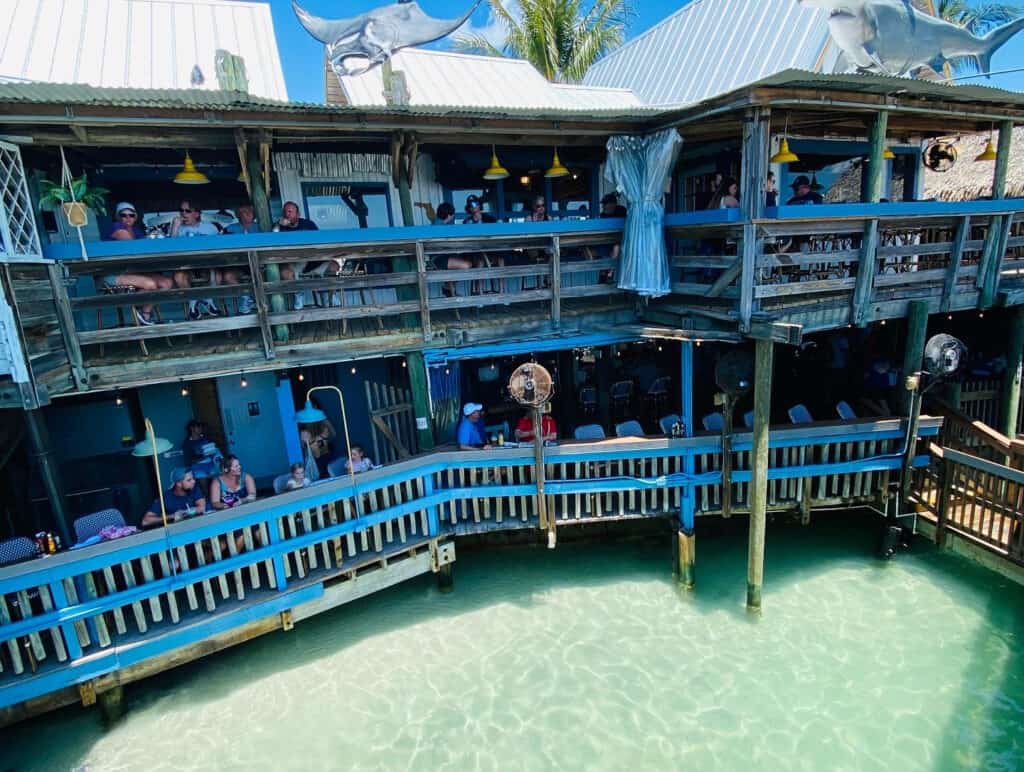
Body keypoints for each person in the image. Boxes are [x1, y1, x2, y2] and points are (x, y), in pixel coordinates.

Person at [100, 202, 173, 326]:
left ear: (136, 217)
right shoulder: (117, 228)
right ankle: (136, 308)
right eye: (124, 215)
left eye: (131, 215)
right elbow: (134, 247)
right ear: (117, 216)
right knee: (150, 284)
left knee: (166, 283)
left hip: (133, 272)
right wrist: (150, 239)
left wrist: (153, 238)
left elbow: (145, 246)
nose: (128, 218)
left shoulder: (135, 230)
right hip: (113, 274)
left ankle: (145, 314)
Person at [171, 199, 243, 319]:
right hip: (185, 266)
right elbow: (170, 249)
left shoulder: (209, 228)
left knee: (218, 275)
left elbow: (219, 249)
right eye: (181, 210)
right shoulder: (178, 228)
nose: (183, 213)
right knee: (178, 277)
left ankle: (208, 300)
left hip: (207, 265)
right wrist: (175, 227)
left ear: (197, 214)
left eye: (187, 211)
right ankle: (193, 302)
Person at [141, 468, 205, 528]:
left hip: (199, 526)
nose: (193, 481)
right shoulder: (166, 497)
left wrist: (185, 512)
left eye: (193, 478)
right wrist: (172, 516)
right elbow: (146, 521)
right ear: (178, 484)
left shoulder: (194, 489)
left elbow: (202, 508)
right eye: (189, 480)